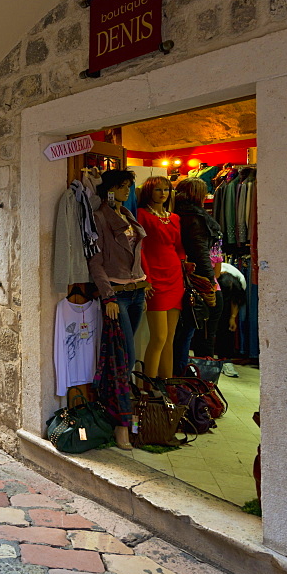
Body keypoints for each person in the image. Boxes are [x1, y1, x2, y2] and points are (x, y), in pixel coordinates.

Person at [87, 168, 147, 449]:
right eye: (122, 186)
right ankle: (123, 424)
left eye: (128, 187)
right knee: (125, 359)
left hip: (137, 292)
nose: (126, 191)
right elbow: (95, 261)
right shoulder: (100, 217)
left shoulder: (128, 216)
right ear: (109, 190)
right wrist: (108, 296)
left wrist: (145, 280)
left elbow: (136, 253)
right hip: (118, 296)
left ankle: (126, 420)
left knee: (128, 357)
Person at [136, 176, 185, 382]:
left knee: (170, 339)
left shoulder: (174, 217)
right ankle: (149, 388)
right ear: (149, 191)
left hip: (175, 275)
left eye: (166, 189)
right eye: (158, 189)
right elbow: (140, 248)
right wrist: (146, 278)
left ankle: (167, 385)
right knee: (158, 338)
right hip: (154, 276)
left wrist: (186, 264)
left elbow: (179, 247)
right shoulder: (141, 215)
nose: (163, 193)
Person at [172, 177, 222, 375]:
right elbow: (201, 252)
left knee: (183, 334)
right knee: (199, 334)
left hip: (184, 278)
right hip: (197, 281)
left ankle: (183, 376)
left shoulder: (177, 214)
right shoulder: (195, 218)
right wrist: (210, 281)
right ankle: (193, 379)